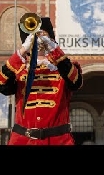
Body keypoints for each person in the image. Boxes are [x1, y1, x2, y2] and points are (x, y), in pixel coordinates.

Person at [0, 14, 83, 145]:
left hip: (58, 140)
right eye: (34, 36)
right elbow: (2, 84)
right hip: (23, 140)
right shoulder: (18, 68)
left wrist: (53, 49)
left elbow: (75, 82)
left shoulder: (63, 67)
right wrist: (22, 51)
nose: (39, 40)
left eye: (43, 35)